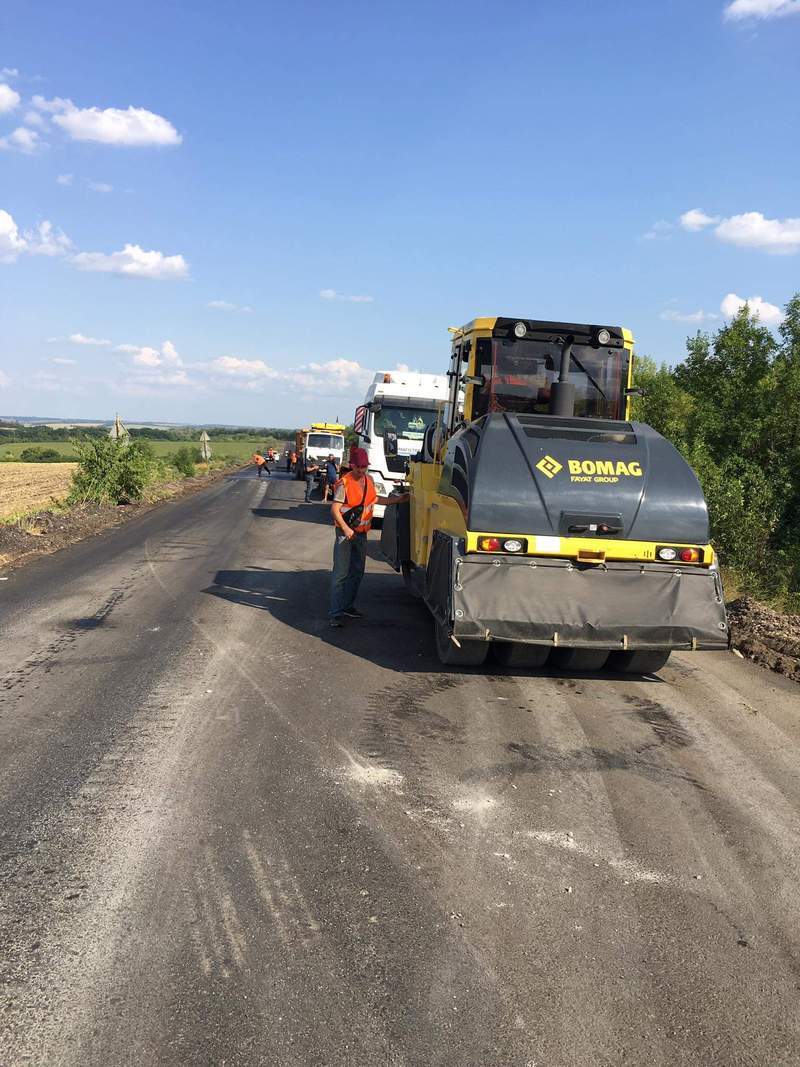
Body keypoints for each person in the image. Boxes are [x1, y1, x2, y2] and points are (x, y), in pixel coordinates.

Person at [329, 447, 408, 627]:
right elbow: (334, 509)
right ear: (351, 465)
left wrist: (398, 499)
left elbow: (374, 499)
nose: (362, 470)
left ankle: (347, 606)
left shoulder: (369, 480)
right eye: (358, 467)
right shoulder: (344, 483)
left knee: (357, 572)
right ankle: (335, 614)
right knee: (341, 573)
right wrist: (346, 529)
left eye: (364, 467)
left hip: (362, 534)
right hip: (345, 534)